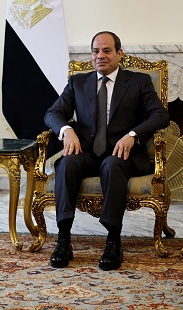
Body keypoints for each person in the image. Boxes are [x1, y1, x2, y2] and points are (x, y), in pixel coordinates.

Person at [44, 31, 169, 271]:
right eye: (95, 51)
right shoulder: (78, 82)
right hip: (88, 151)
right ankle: (63, 239)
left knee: (112, 164)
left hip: (123, 154)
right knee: (67, 163)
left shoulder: (138, 81)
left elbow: (160, 115)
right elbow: (52, 113)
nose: (100, 55)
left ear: (119, 54)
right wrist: (66, 130)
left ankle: (113, 241)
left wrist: (133, 135)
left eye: (106, 50)